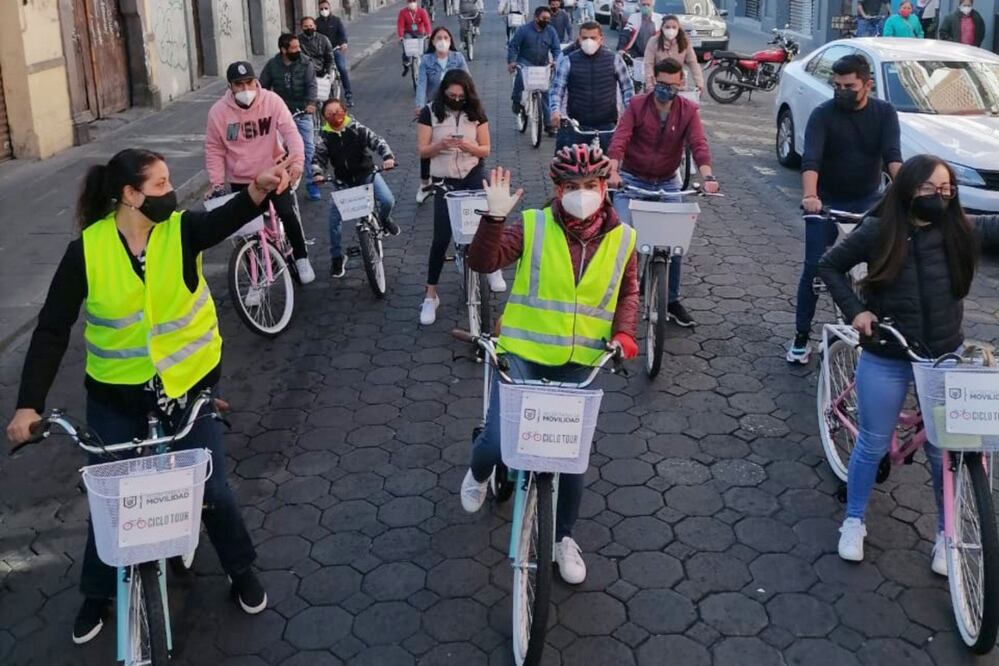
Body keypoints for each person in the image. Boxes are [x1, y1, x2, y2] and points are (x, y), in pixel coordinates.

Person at [5, 149, 292, 644]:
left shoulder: (179, 232)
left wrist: (259, 190)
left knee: (212, 488)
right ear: (131, 196)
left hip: (189, 388)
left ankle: (240, 570)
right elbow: (53, 328)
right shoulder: (87, 250)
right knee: (111, 500)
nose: (171, 192)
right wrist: (28, 403)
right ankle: (97, 594)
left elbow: (221, 219)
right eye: (159, 185)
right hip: (116, 397)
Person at [459, 149, 640, 585]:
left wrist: (625, 335)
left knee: (572, 460)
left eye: (590, 187)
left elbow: (628, 291)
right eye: (572, 188)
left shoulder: (624, 238)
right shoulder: (534, 224)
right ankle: (478, 472)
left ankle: (563, 538)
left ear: (604, 188)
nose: (582, 195)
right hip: (522, 353)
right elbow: (484, 262)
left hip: (582, 363)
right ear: (558, 190)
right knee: (499, 442)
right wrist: (494, 220)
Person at [818, 155, 999, 567]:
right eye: (931, 189)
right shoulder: (879, 230)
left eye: (947, 190)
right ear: (909, 190)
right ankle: (854, 520)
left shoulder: (957, 229)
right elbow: (829, 266)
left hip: (944, 353)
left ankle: (945, 535)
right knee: (872, 442)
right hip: (888, 351)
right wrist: (855, 311)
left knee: (944, 450)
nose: (941, 197)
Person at [787, 54, 902, 364]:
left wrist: (906, 192)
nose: (841, 91)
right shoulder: (822, 115)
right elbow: (811, 160)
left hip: (868, 201)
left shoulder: (885, 113)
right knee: (815, 266)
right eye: (836, 85)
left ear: (867, 84)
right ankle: (801, 336)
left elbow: (892, 156)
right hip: (825, 202)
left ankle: (874, 330)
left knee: (878, 269)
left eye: (849, 85)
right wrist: (811, 196)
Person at [608, 58, 719, 327]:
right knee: (623, 237)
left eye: (672, 85)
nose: (666, 89)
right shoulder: (637, 105)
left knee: (675, 242)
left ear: (681, 84)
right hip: (631, 180)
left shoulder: (688, 110)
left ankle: (670, 300)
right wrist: (612, 171)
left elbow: (698, 144)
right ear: (653, 81)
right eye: (661, 84)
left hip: (668, 181)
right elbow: (619, 140)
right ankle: (619, 298)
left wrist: (708, 177)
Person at [206, 61, 316, 283]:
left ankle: (302, 257)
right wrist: (216, 184)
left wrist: (297, 163)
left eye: (250, 83)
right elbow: (214, 149)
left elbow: (291, 133)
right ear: (230, 86)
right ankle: (256, 281)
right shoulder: (218, 113)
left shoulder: (272, 101)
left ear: (256, 81)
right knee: (245, 232)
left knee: (286, 211)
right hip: (242, 179)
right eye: (239, 85)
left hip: (274, 170)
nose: (246, 89)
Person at [416, 70, 503, 325]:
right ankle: (431, 294)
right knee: (441, 237)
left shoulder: (476, 112)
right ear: (444, 92)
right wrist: (440, 145)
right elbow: (422, 151)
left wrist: (469, 147)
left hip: (472, 174)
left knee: (486, 224)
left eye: (460, 96)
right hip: (444, 181)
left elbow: (486, 148)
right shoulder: (429, 112)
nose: (455, 99)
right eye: (451, 95)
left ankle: (493, 265)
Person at [315, 98, 399, 279]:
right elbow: (318, 159)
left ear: (344, 111)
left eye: (337, 111)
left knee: (387, 200)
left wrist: (388, 157)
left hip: (367, 175)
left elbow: (377, 141)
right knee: (333, 220)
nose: (334, 116)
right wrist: (317, 174)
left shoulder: (357, 128)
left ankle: (384, 220)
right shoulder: (324, 136)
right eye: (329, 114)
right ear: (324, 118)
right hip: (343, 183)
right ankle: (337, 257)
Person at [550, 22, 633, 152]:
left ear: (601, 39)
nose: (589, 41)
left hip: (607, 125)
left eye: (593, 38)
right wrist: (555, 111)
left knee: (612, 165)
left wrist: (630, 113)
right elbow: (557, 90)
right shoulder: (568, 61)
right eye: (584, 38)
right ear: (579, 39)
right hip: (576, 125)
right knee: (567, 164)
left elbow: (627, 88)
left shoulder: (614, 60)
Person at [260, 33, 322, 202]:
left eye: (298, 47)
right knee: (273, 151)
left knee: (308, 148)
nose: (297, 50)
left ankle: (312, 183)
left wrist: (310, 103)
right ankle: (275, 183)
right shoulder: (272, 65)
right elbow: (262, 88)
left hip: (301, 112)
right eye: (293, 48)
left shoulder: (305, 63)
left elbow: (311, 85)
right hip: (280, 115)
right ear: (283, 50)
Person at [415, 28, 470, 205]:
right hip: (434, 107)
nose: (442, 40)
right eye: (439, 37)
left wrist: (471, 102)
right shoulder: (426, 60)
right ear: (432, 41)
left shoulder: (458, 58)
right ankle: (425, 183)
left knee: (456, 141)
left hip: (456, 105)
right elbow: (422, 84)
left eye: (446, 37)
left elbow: (467, 80)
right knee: (428, 146)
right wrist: (419, 106)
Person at [508, 7, 560, 128]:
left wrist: (556, 60)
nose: (546, 21)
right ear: (536, 18)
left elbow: (556, 48)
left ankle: (548, 124)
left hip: (543, 63)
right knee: (520, 78)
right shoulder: (523, 30)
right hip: (525, 61)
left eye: (548, 19)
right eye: (543, 18)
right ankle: (516, 101)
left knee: (546, 92)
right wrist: (512, 62)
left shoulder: (551, 31)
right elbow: (513, 46)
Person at [643, 15, 704, 92]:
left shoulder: (684, 42)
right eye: (667, 27)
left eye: (674, 27)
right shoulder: (653, 41)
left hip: (678, 84)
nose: (671, 30)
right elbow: (648, 64)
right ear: (662, 28)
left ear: (678, 28)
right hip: (659, 84)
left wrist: (699, 83)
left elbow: (693, 63)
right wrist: (650, 85)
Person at [316, 1, 354, 107]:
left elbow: (343, 34)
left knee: (342, 68)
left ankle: (348, 95)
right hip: (322, 52)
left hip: (336, 49)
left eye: (326, 8)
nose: (324, 10)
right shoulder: (317, 23)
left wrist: (344, 43)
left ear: (330, 8)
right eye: (321, 9)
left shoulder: (336, 21)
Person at [397, 0, 432, 77]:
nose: (412, 3)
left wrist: (429, 33)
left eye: (413, 1)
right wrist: (400, 36)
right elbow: (400, 25)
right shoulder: (403, 12)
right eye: (410, 2)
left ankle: (428, 67)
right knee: (406, 44)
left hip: (419, 32)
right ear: (407, 3)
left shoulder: (422, 11)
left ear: (416, 3)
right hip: (408, 32)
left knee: (424, 48)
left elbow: (427, 23)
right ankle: (406, 63)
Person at [298, 16, 335, 83]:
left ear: (315, 26)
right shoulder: (297, 40)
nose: (308, 28)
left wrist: (329, 72)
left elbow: (330, 58)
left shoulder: (323, 39)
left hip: (320, 70)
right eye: (305, 26)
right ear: (301, 27)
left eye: (310, 25)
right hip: (303, 71)